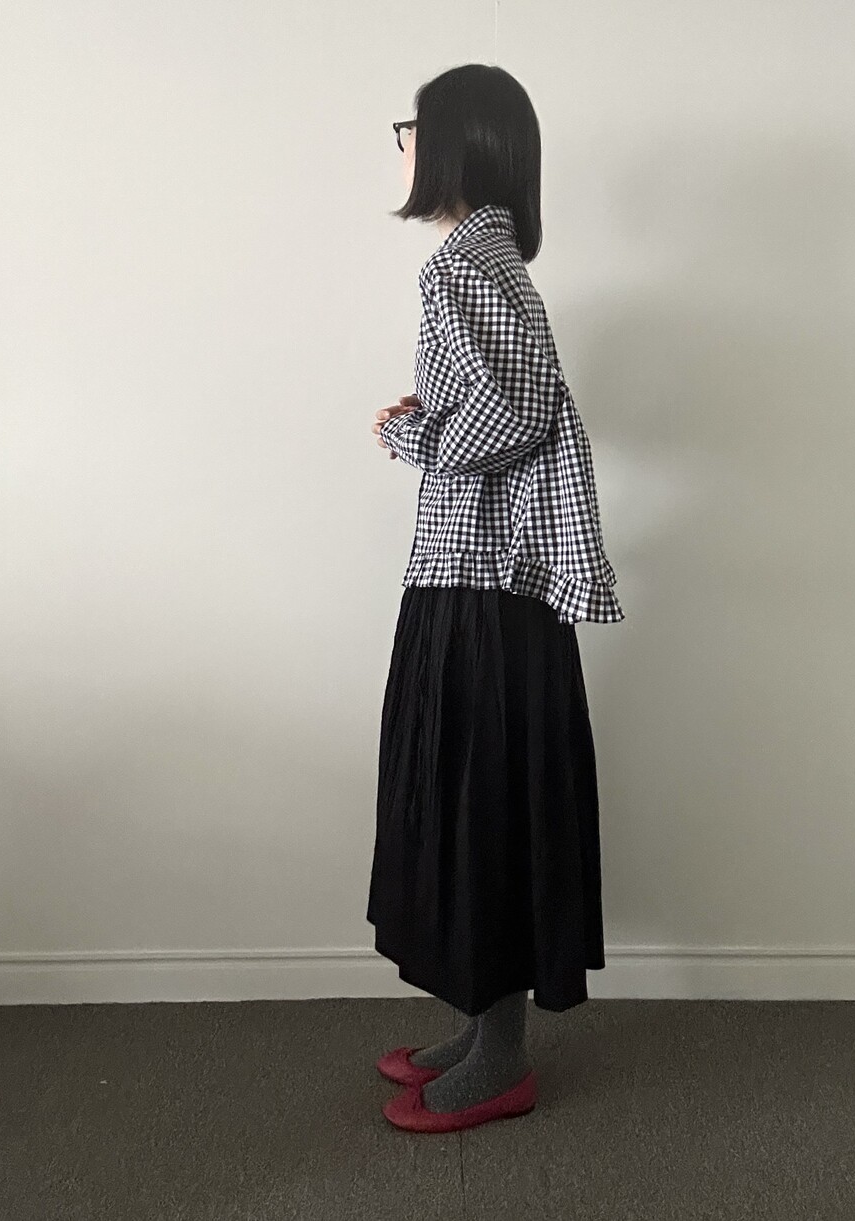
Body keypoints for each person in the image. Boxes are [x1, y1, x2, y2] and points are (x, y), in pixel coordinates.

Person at [366, 64, 624, 1133]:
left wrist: (414, 433)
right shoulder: (492, 261)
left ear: (458, 145)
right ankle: (484, 1030)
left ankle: (503, 1059)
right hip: (480, 578)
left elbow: (514, 410)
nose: (401, 144)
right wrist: (434, 419)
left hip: (480, 583)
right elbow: (512, 402)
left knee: (477, 810)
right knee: (476, 804)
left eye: (411, 127)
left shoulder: (461, 267)